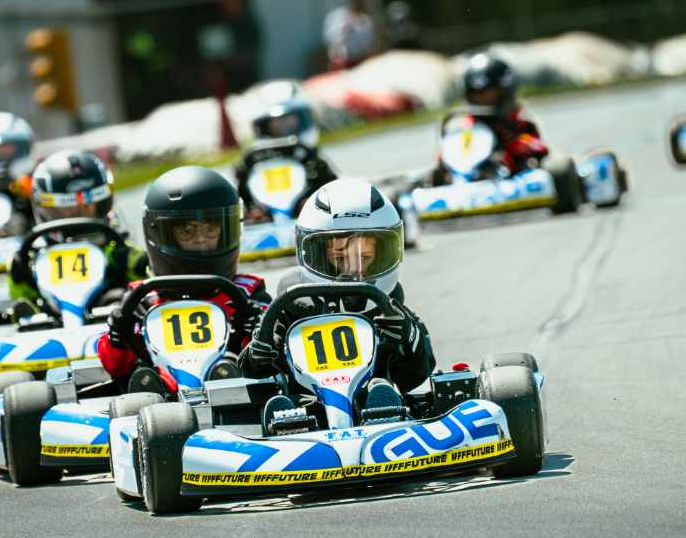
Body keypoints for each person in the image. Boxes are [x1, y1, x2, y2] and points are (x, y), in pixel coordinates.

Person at [239, 178, 436, 416]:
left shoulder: (391, 313)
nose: (353, 270)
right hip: (308, 414)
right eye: (340, 259)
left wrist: (409, 337)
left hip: (375, 409)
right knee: (292, 401)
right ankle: (286, 416)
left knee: (379, 388)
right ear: (311, 253)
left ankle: (382, 405)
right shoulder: (291, 309)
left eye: (365, 257)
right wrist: (259, 353)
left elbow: (417, 375)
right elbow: (249, 370)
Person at [98, 166, 271, 397]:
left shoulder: (247, 292)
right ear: (161, 234)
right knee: (143, 377)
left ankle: (224, 376)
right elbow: (115, 367)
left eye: (210, 229)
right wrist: (118, 339)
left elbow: (275, 352)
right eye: (186, 231)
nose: (200, 240)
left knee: (236, 364)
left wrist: (259, 328)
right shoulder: (143, 299)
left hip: (236, 393)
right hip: (163, 404)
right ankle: (154, 388)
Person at [6, 150, 146, 306]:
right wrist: (21, 277)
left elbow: (147, 281)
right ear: (46, 211)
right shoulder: (34, 257)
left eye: (90, 208)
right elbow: (18, 294)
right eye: (70, 210)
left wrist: (136, 265)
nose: (82, 219)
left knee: (120, 298)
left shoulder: (117, 250)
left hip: (112, 312)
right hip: (51, 314)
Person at [430, 53, 548, 184]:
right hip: (463, 180)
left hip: (511, 179)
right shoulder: (464, 129)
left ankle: (488, 175)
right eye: (478, 96)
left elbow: (539, 150)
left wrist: (515, 145)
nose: (484, 102)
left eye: (490, 95)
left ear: (506, 93)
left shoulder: (521, 126)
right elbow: (444, 157)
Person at [232, 81, 338, 220]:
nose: (285, 131)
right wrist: (253, 210)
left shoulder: (315, 164)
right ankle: (261, 218)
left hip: (312, 212)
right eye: (277, 126)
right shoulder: (253, 168)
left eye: (290, 123)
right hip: (264, 216)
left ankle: (308, 207)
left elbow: (335, 192)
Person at [322, 0, 378, 70]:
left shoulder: (365, 20)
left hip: (361, 59)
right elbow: (332, 38)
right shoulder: (339, 16)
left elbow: (370, 40)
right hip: (341, 61)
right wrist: (346, 25)